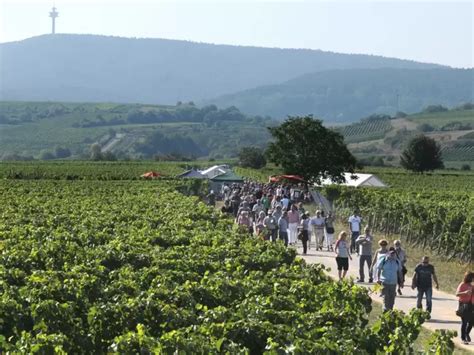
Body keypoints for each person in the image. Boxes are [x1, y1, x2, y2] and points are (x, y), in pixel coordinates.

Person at [377, 247, 403, 312]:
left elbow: (400, 272)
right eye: (391, 253)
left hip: (393, 283)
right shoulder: (383, 260)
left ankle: (390, 312)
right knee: (386, 298)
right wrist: (378, 279)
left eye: (393, 253)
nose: (392, 254)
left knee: (392, 299)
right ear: (388, 253)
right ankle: (385, 311)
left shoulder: (397, 262)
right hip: (384, 282)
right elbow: (379, 269)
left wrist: (401, 282)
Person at [456, 272, 474, 344]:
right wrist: (465, 292)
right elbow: (457, 294)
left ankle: (467, 333)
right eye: (472, 278)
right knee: (464, 322)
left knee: (471, 322)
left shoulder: (472, 286)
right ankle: (463, 338)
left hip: (471, 305)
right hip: (463, 305)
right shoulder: (462, 284)